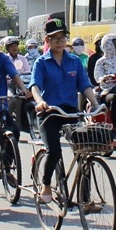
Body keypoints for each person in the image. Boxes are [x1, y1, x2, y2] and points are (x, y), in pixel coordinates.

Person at [30, 18, 100, 203]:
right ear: (47, 40)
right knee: (54, 151)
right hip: (49, 112)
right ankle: (46, 184)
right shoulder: (41, 62)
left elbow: (84, 85)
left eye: (62, 37)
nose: (59, 41)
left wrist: (94, 103)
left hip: (70, 112)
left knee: (84, 152)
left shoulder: (75, 61)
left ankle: (85, 200)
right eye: (54, 38)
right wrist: (40, 102)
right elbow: (35, 86)